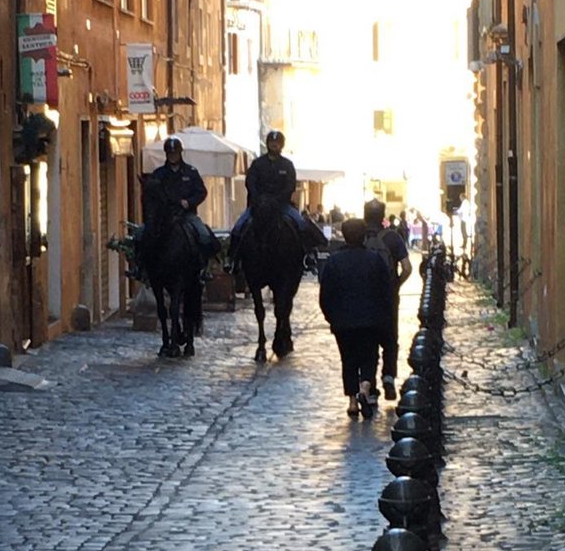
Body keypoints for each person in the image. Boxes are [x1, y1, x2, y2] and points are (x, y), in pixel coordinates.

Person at [319, 218, 395, 419]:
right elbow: (386, 292)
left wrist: (332, 318)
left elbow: (325, 294)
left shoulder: (333, 261)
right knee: (370, 356)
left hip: (343, 322)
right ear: (364, 236)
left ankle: (352, 401)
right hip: (371, 320)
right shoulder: (375, 259)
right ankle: (365, 387)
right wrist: (384, 316)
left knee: (348, 359)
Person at [228, 130, 321, 269]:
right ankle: (232, 259)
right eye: (272, 143)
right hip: (259, 205)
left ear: (281, 145)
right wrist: (258, 198)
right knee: (239, 226)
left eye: (277, 143)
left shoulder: (287, 165)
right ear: (268, 144)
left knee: (301, 223)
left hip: (282, 205)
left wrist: (278, 199)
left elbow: (290, 185)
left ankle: (308, 255)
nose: (274, 145)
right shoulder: (258, 164)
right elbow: (250, 182)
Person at [132, 137, 218, 278]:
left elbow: (201, 192)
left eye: (175, 153)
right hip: (164, 216)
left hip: (186, 215)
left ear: (180, 153)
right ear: (166, 154)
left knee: (204, 235)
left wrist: (189, 202)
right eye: (170, 154)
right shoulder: (158, 174)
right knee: (140, 234)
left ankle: (204, 269)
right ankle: (139, 267)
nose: (173, 157)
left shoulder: (191, 172)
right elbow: (151, 195)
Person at [362, 197, 412, 402]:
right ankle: (389, 376)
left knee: (368, 342)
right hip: (388, 297)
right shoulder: (392, 237)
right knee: (390, 337)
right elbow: (408, 267)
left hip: (364, 298)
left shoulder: (358, 236)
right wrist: (396, 285)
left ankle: (370, 386)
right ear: (383, 216)